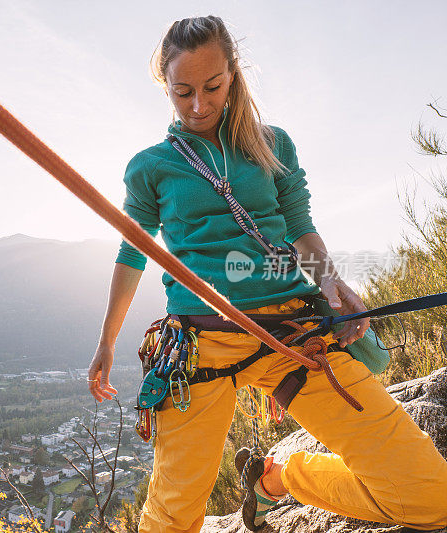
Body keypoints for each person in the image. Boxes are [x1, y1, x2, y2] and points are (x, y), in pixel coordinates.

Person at [87, 16, 447, 533]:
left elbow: (298, 223)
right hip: (201, 344)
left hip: (294, 335)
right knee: (170, 521)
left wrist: (331, 282)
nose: (197, 105)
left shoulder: (272, 143)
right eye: (182, 91)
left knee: (432, 499)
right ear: (164, 85)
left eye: (211, 86)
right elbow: (133, 254)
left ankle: (283, 479)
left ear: (232, 74)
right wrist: (107, 340)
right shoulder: (151, 166)